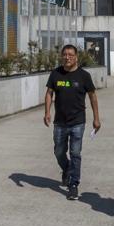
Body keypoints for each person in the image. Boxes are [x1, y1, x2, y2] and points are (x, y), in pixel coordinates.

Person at [43, 44, 100, 201]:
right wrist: (47, 112)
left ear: (76, 57)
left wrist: (96, 118)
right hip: (59, 122)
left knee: (75, 153)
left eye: (70, 55)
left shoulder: (84, 76)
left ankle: (73, 184)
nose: (67, 57)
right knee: (59, 152)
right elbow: (49, 93)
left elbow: (93, 96)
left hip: (77, 122)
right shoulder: (56, 74)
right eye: (64, 55)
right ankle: (67, 169)